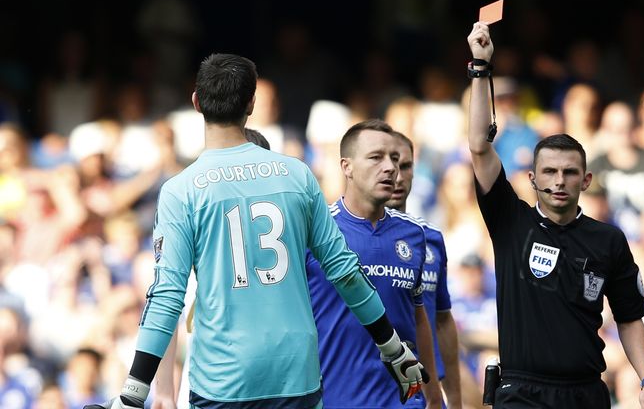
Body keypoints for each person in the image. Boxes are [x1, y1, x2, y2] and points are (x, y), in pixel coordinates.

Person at [85, 54, 425, 409]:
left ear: (197, 102)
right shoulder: (297, 175)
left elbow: (168, 297)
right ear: (252, 103)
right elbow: (346, 273)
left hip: (223, 381)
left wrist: (134, 393)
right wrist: (392, 348)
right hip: (297, 376)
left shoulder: (181, 190)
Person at [466, 23, 644, 409]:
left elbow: (629, 316)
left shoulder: (608, 239)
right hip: (522, 392)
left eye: (570, 172)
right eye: (550, 172)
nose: (559, 181)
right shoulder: (510, 221)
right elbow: (478, 147)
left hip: (586, 392)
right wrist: (479, 67)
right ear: (532, 178)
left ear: (586, 180)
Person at [305, 119, 441, 408]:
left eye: (394, 158)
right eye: (376, 157)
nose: (390, 167)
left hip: (403, 401)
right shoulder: (317, 232)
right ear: (347, 167)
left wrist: (432, 397)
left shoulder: (414, 234)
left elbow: (420, 318)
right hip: (335, 399)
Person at [386, 130, 463, 407]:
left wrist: (453, 397)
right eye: (387, 165)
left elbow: (442, 319)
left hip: (429, 390)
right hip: (374, 385)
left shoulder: (430, 238)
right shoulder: (339, 235)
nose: (396, 174)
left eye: (405, 166)